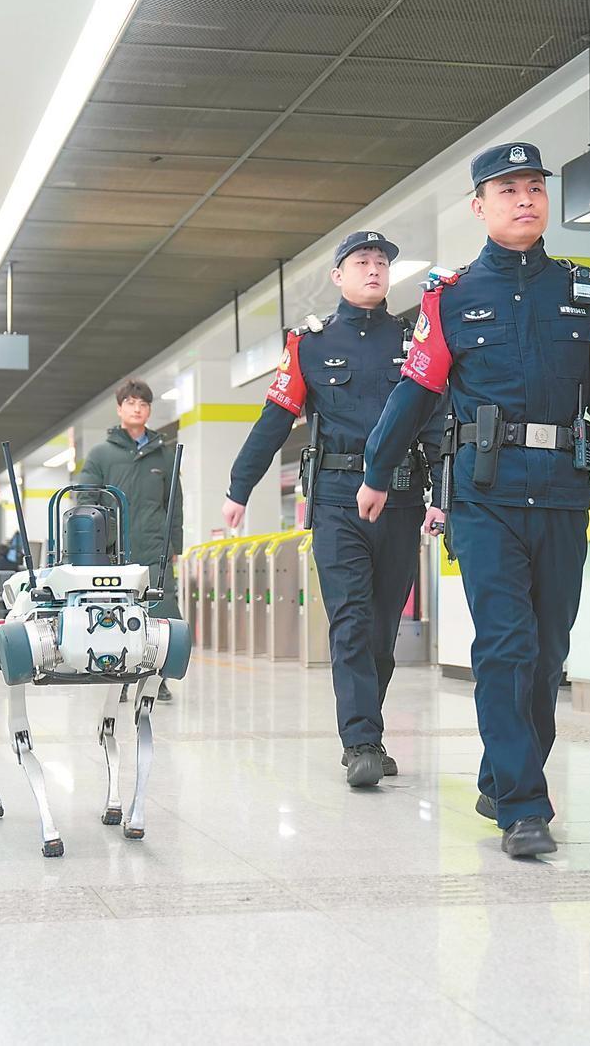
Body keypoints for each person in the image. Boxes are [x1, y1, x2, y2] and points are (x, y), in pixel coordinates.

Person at [358, 143, 590, 857]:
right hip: (484, 496)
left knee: (548, 651)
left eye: (534, 187)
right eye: (507, 189)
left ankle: (500, 775)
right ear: (478, 206)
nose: (524, 199)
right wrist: (376, 471)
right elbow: (415, 390)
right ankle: (522, 805)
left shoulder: (581, 291)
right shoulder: (451, 297)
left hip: (563, 494)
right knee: (507, 645)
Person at [223, 230, 447, 789]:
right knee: (350, 619)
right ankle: (361, 742)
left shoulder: (415, 341)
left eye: (381, 263)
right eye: (362, 261)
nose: (374, 270)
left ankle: (368, 729)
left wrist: (442, 496)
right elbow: (274, 421)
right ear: (338, 275)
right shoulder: (309, 344)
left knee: (383, 627)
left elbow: (436, 424)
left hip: (401, 499)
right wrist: (238, 488)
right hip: (335, 501)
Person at [78, 379, 185, 702]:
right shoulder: (101, 455)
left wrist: (175, 546)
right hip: (115, 553)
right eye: (130, 403)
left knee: (161, 615)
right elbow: (85, 500)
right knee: (116, 615)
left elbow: (174, 504)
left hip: (154, 549)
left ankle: (156, 680)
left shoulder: (164, 456)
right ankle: (119, 677)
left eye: (143, 404)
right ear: (119, 409)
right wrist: (93, 547)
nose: (137, 409)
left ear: (149, 410)